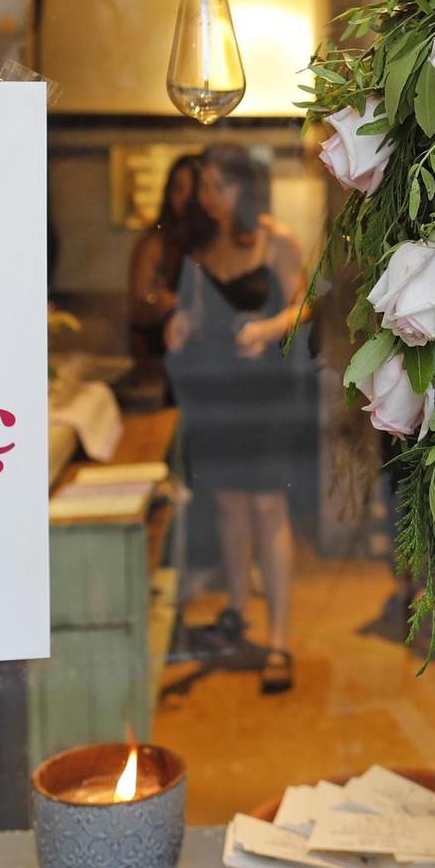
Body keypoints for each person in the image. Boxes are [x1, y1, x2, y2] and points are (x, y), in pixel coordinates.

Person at [163, 145, 312, 694]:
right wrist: (180, 324)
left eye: (217, 187)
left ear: (245, 190)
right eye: (203, 187)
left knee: (269, 505)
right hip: (217, 389)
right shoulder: (201, 246)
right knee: (228, 504)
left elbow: (305, 306)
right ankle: (236, 612)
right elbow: (194, 312)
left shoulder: (277, 240)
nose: (207, 198)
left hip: (266, 392)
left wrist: (268, 328)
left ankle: (279, 638)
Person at [128, 152, 203, 397]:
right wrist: (155, 303)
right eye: (178, 189)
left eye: (194, 189)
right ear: (168, 193)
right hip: (166, 364)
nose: (186, 198)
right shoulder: (155, 245)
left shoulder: (217, 244)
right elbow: (136, 309)